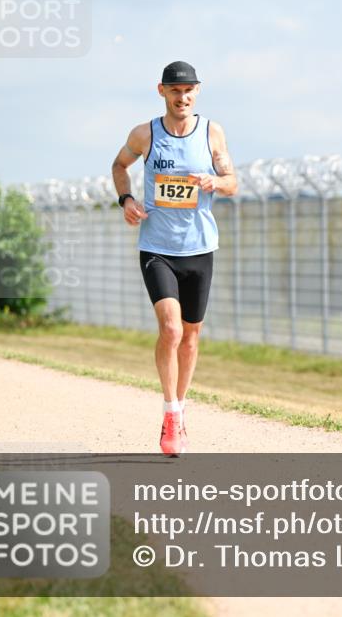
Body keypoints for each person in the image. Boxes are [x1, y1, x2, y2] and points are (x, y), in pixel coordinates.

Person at [110, 61, 237, 456]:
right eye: (175, 91)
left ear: (197, 92)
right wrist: (126, 199)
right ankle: (169, 411)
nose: (182, 98)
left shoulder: (211, 132)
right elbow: (119, 166)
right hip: (158, 248)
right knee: (171, 329)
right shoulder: (144, 134)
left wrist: (216, 181)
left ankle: (180, 408)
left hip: (199, 248)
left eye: (189, 91)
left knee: (192, 336)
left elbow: (233, 182)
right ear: (161, 91)